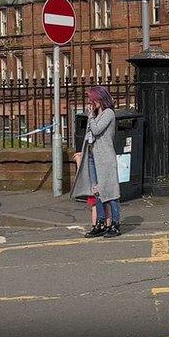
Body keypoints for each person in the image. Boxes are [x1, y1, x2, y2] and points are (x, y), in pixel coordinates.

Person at [72, 86, 122, 238]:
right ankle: (100, 223)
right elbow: (89, 133)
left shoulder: (109, 113)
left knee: (111, 192)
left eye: (92, 99)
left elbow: (96, 130)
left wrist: (90, 117)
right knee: (97, 191)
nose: (90, 102)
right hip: (93, 157)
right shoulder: (94, 115)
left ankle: (115, 224)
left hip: (105, 159)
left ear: (100, 98)